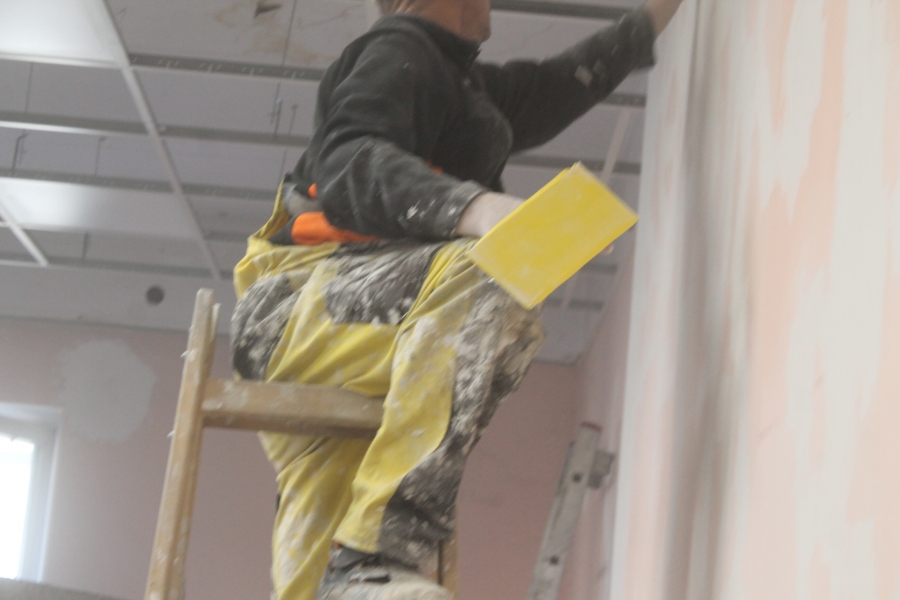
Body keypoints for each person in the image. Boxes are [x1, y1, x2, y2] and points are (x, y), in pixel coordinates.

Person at [230, 0, 683, 598]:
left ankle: (359, 573)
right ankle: (385, 545)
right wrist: (477, 208)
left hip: (351, 320)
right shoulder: (400, 49)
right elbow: (350, 158)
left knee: (325, 534)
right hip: (301, 304)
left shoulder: (466, 87)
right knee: (491, 279)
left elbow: (557, 85)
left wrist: (650, 20)